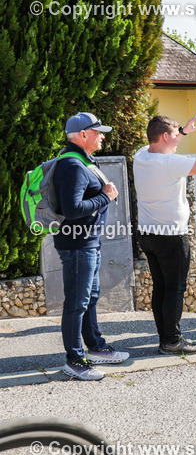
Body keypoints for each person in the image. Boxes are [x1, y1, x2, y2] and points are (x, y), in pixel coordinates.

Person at [133, 114, 196, 356]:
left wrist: (182, 130)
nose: (178, 140)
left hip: (148, 234)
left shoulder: (141, 157)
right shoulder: (171, 163)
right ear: (164, 137)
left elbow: (162, 141)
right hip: (171, 236)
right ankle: (172, 340)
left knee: (161, 287)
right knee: (174, 289)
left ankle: (165, 338)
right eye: (175, 136)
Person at [53, 113, 130, 380]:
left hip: (88, 242)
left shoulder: (84, 161)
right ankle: (74, 360)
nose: (103, 136)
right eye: (98, 132)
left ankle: (95, 347)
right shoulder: (73, 165)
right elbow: (72, 209)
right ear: (83, 135)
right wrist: (105, 197)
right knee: (76, 302)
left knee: (89, 298)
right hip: (76, 244)